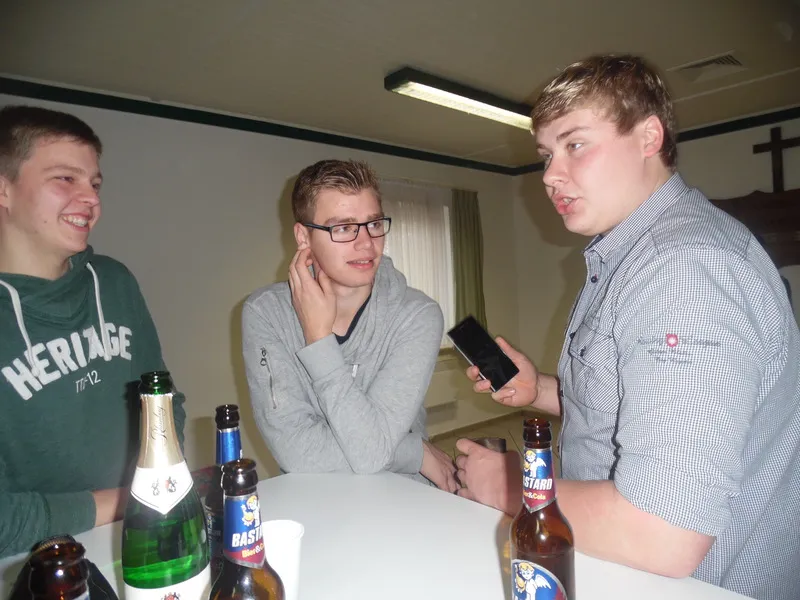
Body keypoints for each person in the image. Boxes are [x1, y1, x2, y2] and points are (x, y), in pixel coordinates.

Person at [455, 55, 800, 600]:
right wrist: (538, 389)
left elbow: (662, 533)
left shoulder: (682, 269)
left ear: (648, 137)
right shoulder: (638, 254)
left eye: (575, 144)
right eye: (546, 155)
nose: (549, 175)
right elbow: (636, 407)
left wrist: (509, 487)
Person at [0, 105, 186, 558]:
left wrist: (158, 491)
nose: (91, 199)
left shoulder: (114, 281)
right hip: (31, 563)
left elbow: (164, 404)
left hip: (141, 531)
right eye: (66, 179)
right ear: (4, 189)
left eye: (95, 184)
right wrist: (127, 502)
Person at [242, 159, 457, 491]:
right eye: (343, 228)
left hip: (403, 497)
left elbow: (371, 454)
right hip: (316, 498)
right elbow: (295, 451)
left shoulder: (416, 315)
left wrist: (318, 340)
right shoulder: (266, 314)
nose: (366, 243)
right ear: (303, 236)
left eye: (374, 224)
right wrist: (414, 452)